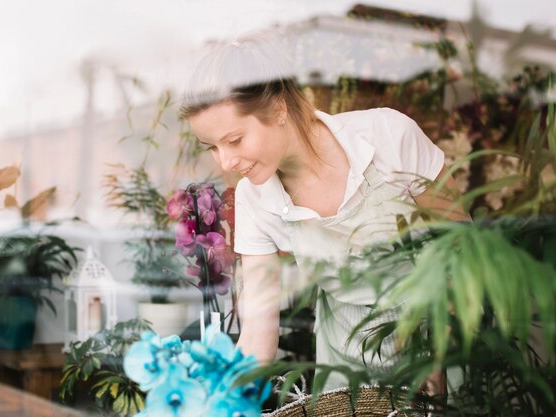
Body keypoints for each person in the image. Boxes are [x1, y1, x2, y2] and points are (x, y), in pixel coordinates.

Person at [179, 35, 469, 391]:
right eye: (213, 147)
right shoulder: (253, 199)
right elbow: (257, 336)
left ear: (279, 109)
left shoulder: (388, 137)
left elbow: (465, 250)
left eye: (235, 140)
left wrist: (443, 350)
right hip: (345, 364)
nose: (226, 162)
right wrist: (212, 399)